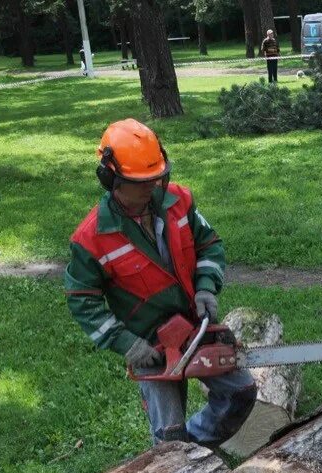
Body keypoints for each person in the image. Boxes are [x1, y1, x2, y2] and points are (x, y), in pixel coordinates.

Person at [64, 119, 257, 446]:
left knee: (241, 393)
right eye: (140, 182)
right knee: (169, 437)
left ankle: (198, 446)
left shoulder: (178, 201)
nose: (151, 187)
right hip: (150, 343)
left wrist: (207, 285)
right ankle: (177, 468)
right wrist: (126, 343)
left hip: (196, 326)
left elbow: (209, 243)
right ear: (109, 178)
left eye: (156, 178)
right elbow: (82, 299)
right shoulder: (92, 238)